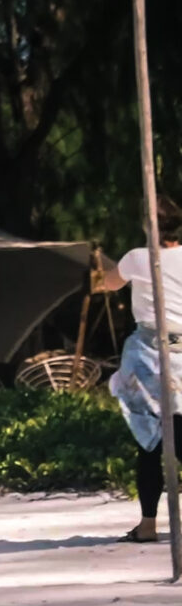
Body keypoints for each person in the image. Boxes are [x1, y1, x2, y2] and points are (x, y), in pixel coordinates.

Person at [111, 206, 182, 543]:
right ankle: (150, 524)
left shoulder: (138, 258)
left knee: (150, 440)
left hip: (151, 354)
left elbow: (108, 284)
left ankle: (149, 524)